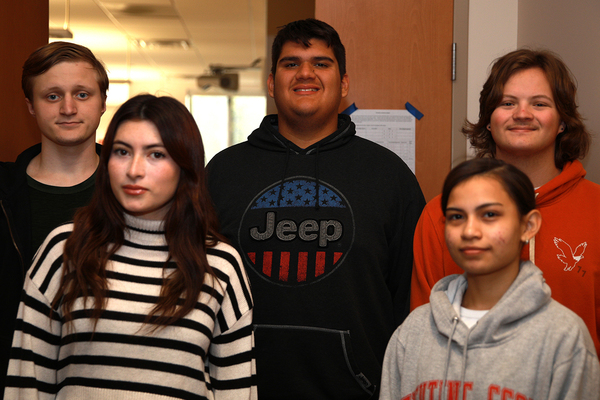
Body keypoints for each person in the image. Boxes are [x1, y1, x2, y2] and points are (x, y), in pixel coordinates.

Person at [206, 18, 425, 399]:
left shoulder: (389, 176)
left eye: (321, 63)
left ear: (344, 84)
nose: (305, 73)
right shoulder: (223, 173)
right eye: (291, 63)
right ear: (271, 83)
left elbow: (411, 301)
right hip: (241, 390)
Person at [4, 94, 256, 399]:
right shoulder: (64, 249)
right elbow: (26, 383)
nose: (134, 170)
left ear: (185, 166)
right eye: (122, 152)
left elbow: (237, 390)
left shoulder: (219, 264)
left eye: (156, 154)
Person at [411, 48, 600, 355]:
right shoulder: (443, 214)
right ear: (489, 120)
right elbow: (424, 335)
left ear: (562, 122)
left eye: (539, 103)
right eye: (507, 103)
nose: (522, 114)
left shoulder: (596, 209)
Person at [380, 158, 600, 399]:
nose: (469, 231)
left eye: (490, 214)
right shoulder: (413, 332)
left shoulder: (564, 337)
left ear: (528, 225)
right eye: (456, 217)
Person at [0, 41, 108, 396]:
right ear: (31, 106)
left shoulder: (138, 192)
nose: (68, 108)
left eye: (82, 94)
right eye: (52, 96)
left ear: (102, 102)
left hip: (106, 382)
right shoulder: (2, 193)